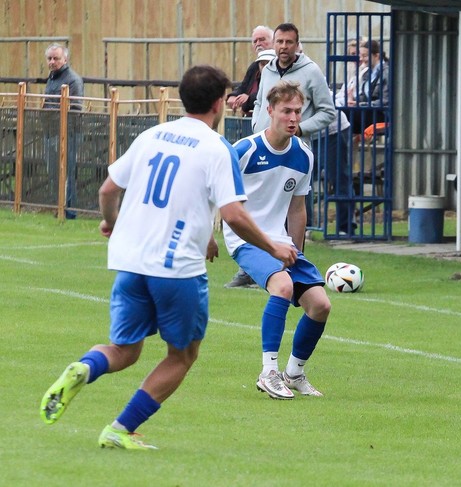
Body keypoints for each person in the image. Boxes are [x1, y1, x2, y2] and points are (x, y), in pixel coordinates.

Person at [39, 65, 297, 450]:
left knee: (124, 350)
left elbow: (109, 190)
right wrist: (273, 246)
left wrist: (111, 224)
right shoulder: (217, 148)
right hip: (176, 269)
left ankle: (84, 367)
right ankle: (120, 428)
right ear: (218, 104)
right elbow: (234, 214)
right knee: (182, 354)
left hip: (131, 261)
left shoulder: (151, 135)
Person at [224, 81, 332, 399]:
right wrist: (208, 236)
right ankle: (268, 372)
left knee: (320, 305)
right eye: (286, 111)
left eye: (298, 111)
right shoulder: (245, 150)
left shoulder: (304, 156)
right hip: (245, 238)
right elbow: (214, 192)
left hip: (281, 240)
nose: (293, 117)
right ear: (269, 111)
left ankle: (294, 373)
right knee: (282, 288)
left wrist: (296, 251)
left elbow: (297, 209)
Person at [253, 22, 355, 236]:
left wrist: (300, 129)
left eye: (289, 42)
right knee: (271, 194)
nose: (284, 46)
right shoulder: (268, 70)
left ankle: (340, 229)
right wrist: (257, 125)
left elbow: (328, 111)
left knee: (307, 189)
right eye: (279, 41)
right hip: (268, 144)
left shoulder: (311, 71)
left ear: (297, 45)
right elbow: (259, 103)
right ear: (274, 44)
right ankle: (271, 240)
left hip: (302, 143)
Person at [43, 43, 83, 219]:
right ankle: (58, 206)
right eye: (50, 58)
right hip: (51, 131)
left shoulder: (73, 79)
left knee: (68, 171)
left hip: (69, 132)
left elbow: (75, 108)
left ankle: (70, 211)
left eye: (56, 58)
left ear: (64, 59)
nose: (52, 61)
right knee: (53, 171)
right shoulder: (51, 77)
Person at [226, 25, 274, 116]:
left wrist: (248, 98)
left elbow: (271, 91)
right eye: (255, 41)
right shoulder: (254, 66)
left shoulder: (279, 65)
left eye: (262, 39)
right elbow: (244, 86)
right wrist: (233, 95)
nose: (258, 44)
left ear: (273, 42)